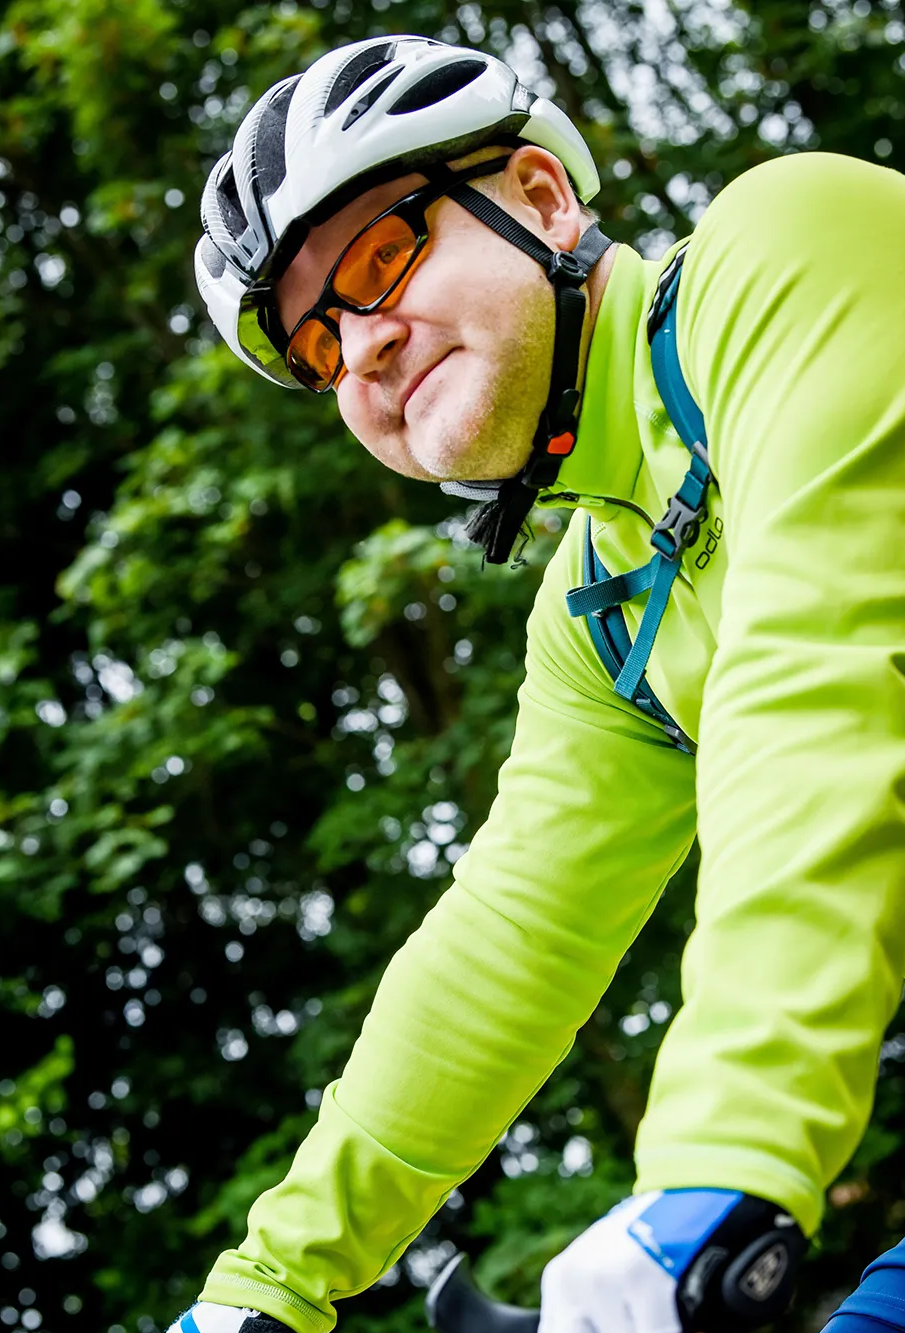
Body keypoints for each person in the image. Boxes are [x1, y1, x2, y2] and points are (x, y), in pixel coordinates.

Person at [173, 32, 905, 1333]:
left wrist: (717, 1169)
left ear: (541, 198)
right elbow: (509, 940)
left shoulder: (784, 251)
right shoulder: (602, 599)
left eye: (381, 259)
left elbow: (820, 681)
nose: (366, 346)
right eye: (320, 345)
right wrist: (260, 1293)